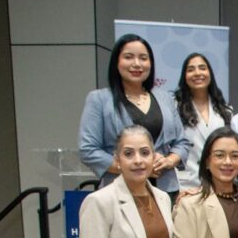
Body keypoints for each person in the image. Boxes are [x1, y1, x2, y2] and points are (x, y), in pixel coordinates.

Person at [79, 34, 189, 197]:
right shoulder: (99, 99)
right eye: (128, 57)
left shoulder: (165, 97)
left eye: (143, 58)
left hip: (165, 190)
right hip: (119, 191)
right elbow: (88, 150)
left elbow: (182, 143)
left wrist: (168, 161)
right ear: (116, 62)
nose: (136, 64)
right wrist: (138, 168)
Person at [174, 53, 233, 191]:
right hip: (187, 184)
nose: (197, 73)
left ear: (209, 73)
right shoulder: (174, 107)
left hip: (218, 182)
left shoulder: (225, 109)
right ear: (184, 76)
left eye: (202, 68)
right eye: (191, 69)